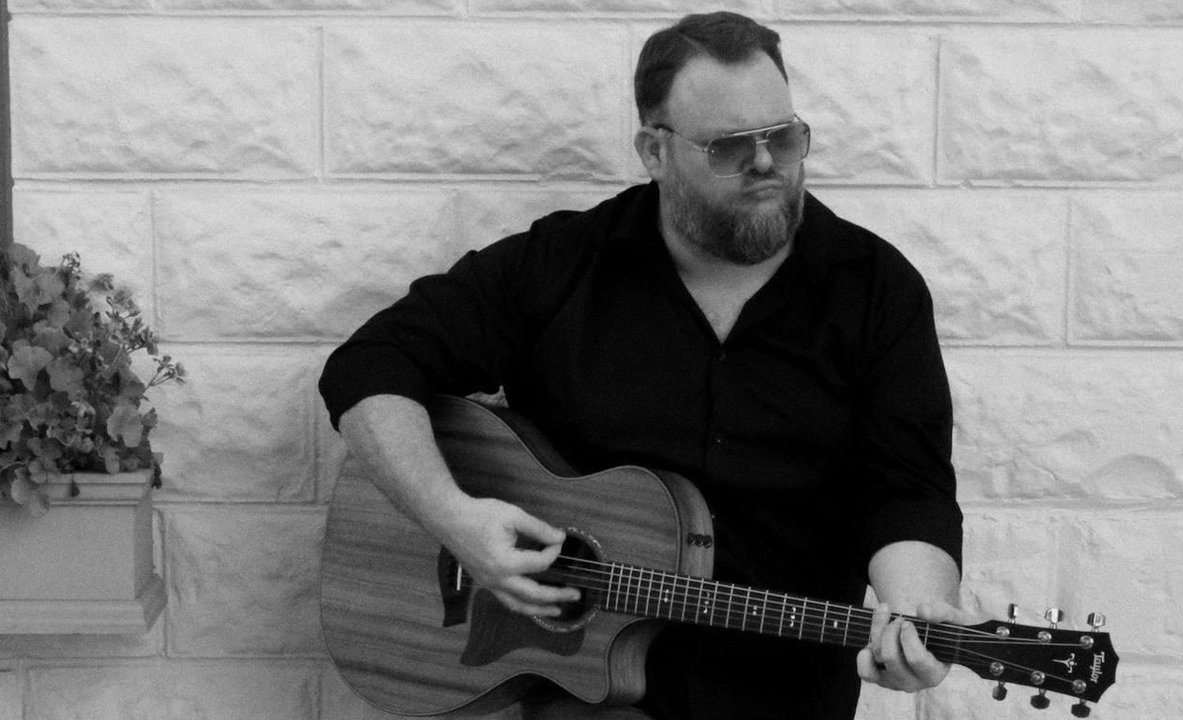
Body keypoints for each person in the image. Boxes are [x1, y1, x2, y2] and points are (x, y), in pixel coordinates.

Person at [319, 11, 966, 720]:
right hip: (583, 697)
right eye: (729, 147)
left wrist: (916, 613)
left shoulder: (875, 290)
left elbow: (908, 488)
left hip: (786, 696)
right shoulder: (564, 265)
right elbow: (371, 366)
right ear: (655, 151)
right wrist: (455, 521)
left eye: (783, 137)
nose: (766, 165)